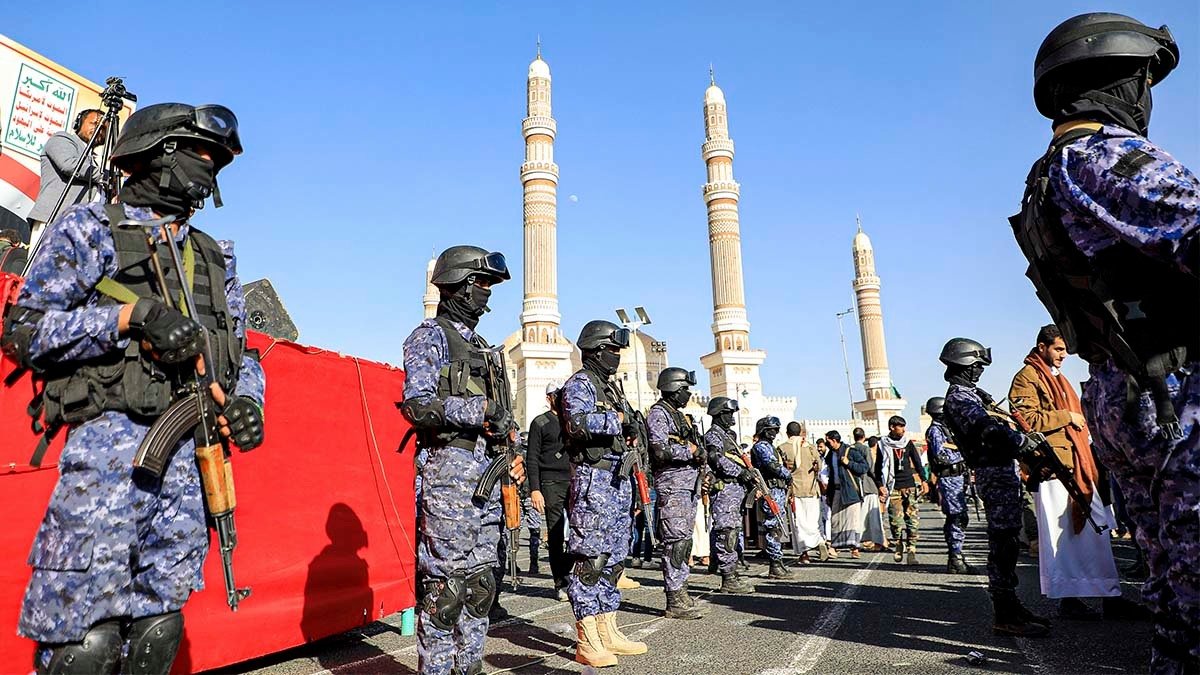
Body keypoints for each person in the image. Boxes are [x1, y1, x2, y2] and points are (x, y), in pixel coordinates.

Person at [2, 102, 265, 674]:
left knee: (158, 631)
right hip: (108, 461)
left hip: (191, 467)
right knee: (84, 644)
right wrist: (126, 320)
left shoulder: (216, 257)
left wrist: (248, 400)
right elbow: (23, 334)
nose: (209, 168)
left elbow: (242, 352)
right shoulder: (89, 229)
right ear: (156, 154)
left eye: (216, 160)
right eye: (200, 154)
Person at [1012, 13, 1197, 669]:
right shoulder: (1107, 155)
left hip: (1129, 385)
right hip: (1172, 387)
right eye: (1140, 80)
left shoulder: (1052, 171)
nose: (1144, 97)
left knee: (1177, 580)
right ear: (1108, 79)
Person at [399, 244, 523, 675]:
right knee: (445, 590)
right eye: (482, 283)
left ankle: (469, 666)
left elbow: (503, 411)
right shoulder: (429, 337)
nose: (487, 292)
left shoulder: (485, 348)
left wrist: (511, 442)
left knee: (480, 585)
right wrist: (478, 411)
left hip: (488, 473)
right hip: (450, 473)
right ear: (459, 286)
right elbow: (416, 405)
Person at [940, 338, 1050, 637]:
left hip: (1001, 470)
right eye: (976, 366)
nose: (979, 372)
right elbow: (988, 430)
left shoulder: (972, 395)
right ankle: (1005, 613)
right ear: (965, 366)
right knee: (1003, 543)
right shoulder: (960, 399)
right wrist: (1022, 442)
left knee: (1010, 541)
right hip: (993, 471)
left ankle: (1011, 605)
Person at [1009, 324, 1120, 617]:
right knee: (1064, 541)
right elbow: (1026, 419)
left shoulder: (1058, 378)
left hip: (1080, 466)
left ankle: (1111, 596)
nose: (1063, 355)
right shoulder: (1027, 378)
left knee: (1097, 535)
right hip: (1056, 468)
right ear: (1042, 347)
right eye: (1058, 349)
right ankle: (1069, 601)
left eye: (1064, 349)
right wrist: (1066, 416)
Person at [561, 320, 647, 667]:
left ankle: (608, 628)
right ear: (596, 350)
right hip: (593, 482)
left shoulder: (611, 389)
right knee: (591, 561)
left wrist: (630, 427)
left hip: (618, 481)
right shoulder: (580, 384)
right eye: (612, 350)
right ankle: (587, 638)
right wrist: (618, 420)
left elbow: (627, 421)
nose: (616, 357)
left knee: (613, 560)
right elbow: (577, 424)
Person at [646, 367, 707, 619]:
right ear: (673, 388)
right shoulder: (659, 415)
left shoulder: (681, 417)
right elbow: (660, 451)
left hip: (687, 486)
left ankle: (681, 592)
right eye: (684, 390)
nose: (687, 395)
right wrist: (690, 452)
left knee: (683, 542)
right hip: (672, 485)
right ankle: (674, 598)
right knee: (675, 543)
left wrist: (699, 455)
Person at [27, 109, 107, 250]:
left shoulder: (94, 161)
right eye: (94, 123)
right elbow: (69, 165)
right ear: (78, 124)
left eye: (104, 128)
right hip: (54, 219)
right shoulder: (62, 139)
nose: (99, 129)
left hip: (80, 229)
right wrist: (105, 176)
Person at [704, 397, 756, 593]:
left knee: (733, 532)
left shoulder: (729, 436)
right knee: (726, 533)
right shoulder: (714, 435)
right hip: (725, 490)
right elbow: (714, 458)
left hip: (735, 491)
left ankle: (731, 572)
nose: (731, 417)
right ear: (719, 414)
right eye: (728, 414)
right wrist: (739, 472)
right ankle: (728, 577)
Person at [528, 381, 571, 601]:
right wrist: (535, 489)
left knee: (580, 531)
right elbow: (532, 458)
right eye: (557, 395)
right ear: (548, 398)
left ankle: (572, 574)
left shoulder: (572, 421)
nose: (561, 398)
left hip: (573, 481)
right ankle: (560, 582)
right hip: (551, 482)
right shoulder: (540, 423)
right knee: (555, 535)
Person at [925, 397, 977, 574]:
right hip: (949, 479)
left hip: (957, 478)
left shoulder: (945, 429)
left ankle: (955, 557)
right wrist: (964, 454)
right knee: (957, 517)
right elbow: (941, 456)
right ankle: (956, 557)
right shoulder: (935, 431)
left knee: (959, 517)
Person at [749, 416, 794, 579]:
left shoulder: (769, 446)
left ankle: (778, 561)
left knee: (778, 526)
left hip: (777, 489)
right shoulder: (761, 447)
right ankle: (774, 564)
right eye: (772, 429)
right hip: (770, 490)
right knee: (773, 526)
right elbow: (771, 465)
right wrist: (787, 474)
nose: (775, 432)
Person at [881, 416, 928, 565]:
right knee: (895, 521)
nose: (903, 430)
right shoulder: (884, 444)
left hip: (909, 485)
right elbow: (877, 466)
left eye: (904, 426)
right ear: (892, 427)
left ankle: (912, 550)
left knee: (912, 520)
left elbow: (917, 462)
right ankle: (898, 543)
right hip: (893, 486)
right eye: (900, 427)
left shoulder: (907, 443)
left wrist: (923, 480)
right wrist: (879, 485)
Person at [779, 421, 825, 563]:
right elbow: (820, 466)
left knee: (798, 522)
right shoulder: (810, 447)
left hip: (795, 490)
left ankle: (804, 554)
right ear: (800, 432)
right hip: (812, 489)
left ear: (787, 433)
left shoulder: (782, 448)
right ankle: (820, 541)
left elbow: (780, 470)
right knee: (813, 520)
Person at [824, 430, 869, 558]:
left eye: (829, 441)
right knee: (836, 520)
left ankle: (854, 548)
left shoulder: (851, 452)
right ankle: (835, 547)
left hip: (850, 491)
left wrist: (849, 463)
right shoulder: (830, 455)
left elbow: (864, 468)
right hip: (836, 491)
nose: (828, 444)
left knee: (852, 520)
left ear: (834, 440)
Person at [855, 428, 886, 552]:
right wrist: (879, 485)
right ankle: (878, 542)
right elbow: (870, 469)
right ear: (864, 437)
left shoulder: (849, 449)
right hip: (868, 486)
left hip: (856, 487)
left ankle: (857, 542)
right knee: (873, 517)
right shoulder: (865, 450)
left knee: (859, 517)